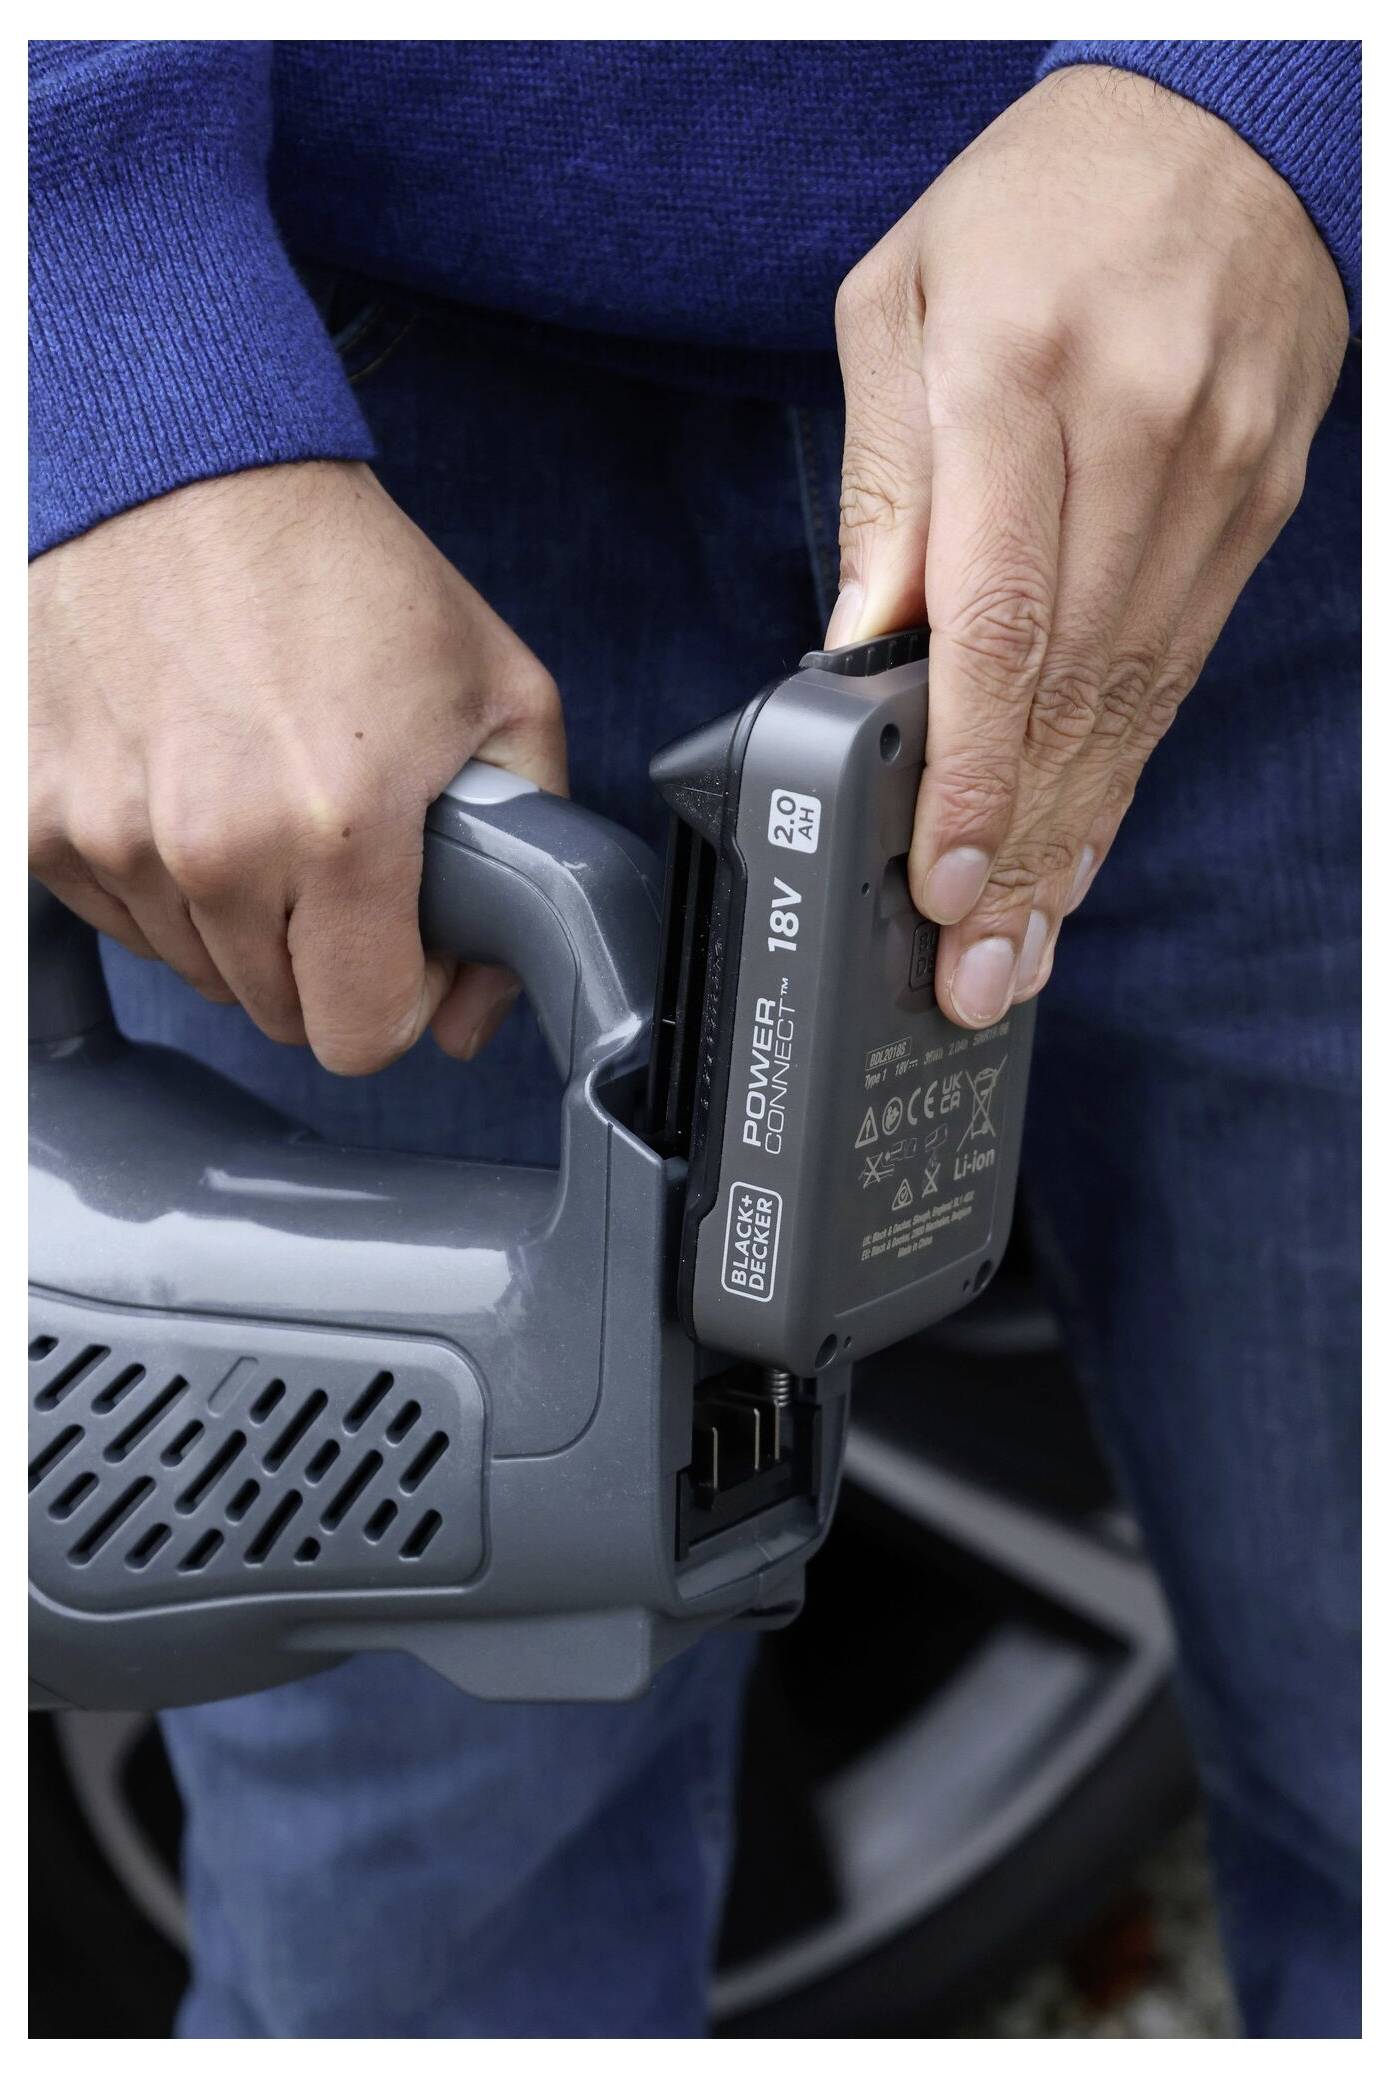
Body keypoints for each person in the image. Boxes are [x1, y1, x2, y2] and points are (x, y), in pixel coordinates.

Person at [29, 39, 1360, 2038]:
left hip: (1264, 391)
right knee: (409, 1918)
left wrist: (1287, 94)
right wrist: (99, 321)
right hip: (339, 488)